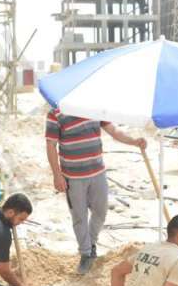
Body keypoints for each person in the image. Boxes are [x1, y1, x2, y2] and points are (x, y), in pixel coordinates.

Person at [45, 108, 147, 275]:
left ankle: (91, 243)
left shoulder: (93, 106)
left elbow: (113, 130)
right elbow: (50, 145)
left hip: (97, 173)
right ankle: (86, 253)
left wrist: (134, 141)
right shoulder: (56, 113)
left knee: (101, 211)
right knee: (79, 216)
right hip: (73, 176)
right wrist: (57, 176)